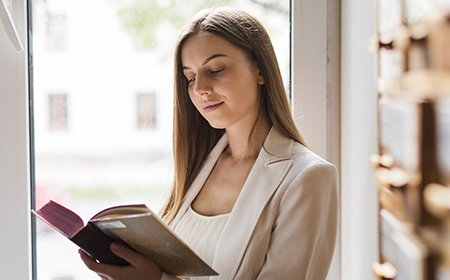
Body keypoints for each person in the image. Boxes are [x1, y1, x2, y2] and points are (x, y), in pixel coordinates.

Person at [80, 7, 338, 280]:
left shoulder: (308, 177)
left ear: (260, 70)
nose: (200, 88)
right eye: (190, 77)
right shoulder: (198, 165)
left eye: (215, 69)